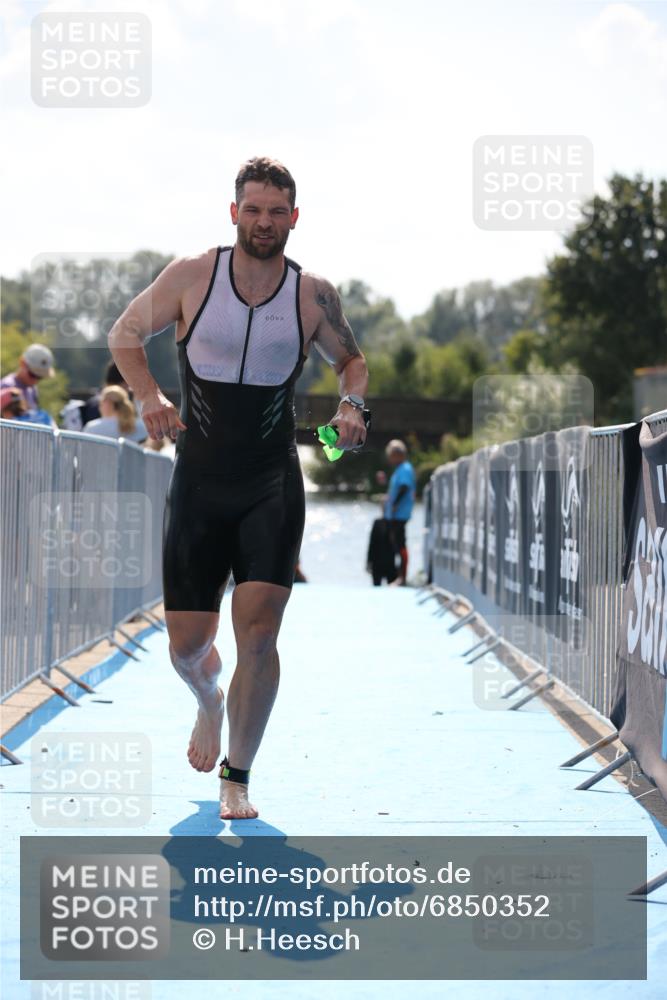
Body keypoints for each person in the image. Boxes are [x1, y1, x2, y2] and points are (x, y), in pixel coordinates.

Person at [107, 156, 368, 820]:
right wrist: (148, 396)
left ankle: (237, 776)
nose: (263, 221)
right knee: (188, 648)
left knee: (258, 633)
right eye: (252, 209)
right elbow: (125, 333)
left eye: (276, 211)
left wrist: (351, 406)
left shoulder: (312, 295)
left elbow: (351, 360)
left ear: (294, 218)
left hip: (270, 482)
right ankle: (209, 701)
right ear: (234, 213)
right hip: (199, 483)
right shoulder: (192, 275)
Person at [383, 439, 417, 586]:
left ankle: (402, 577)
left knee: (400, 542)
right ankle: (399, 575)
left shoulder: (405, 469)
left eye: (391, 455)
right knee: (396, 542)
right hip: (395, 514)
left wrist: (395, 504)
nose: (389, 458)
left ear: (398, 455)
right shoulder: (400, 469)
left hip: (400, 513)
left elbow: (404, 487)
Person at [1, 343, 57, 426]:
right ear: (22, 363)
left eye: (39, 377)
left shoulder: (32, 389)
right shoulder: (7, 386)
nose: (35, 381)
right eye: (32, 375)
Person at [82, 385, 148, 442]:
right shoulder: (141, 426)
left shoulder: (92, 428)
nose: (99, 405)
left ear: (107, 403)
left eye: (101, 401)